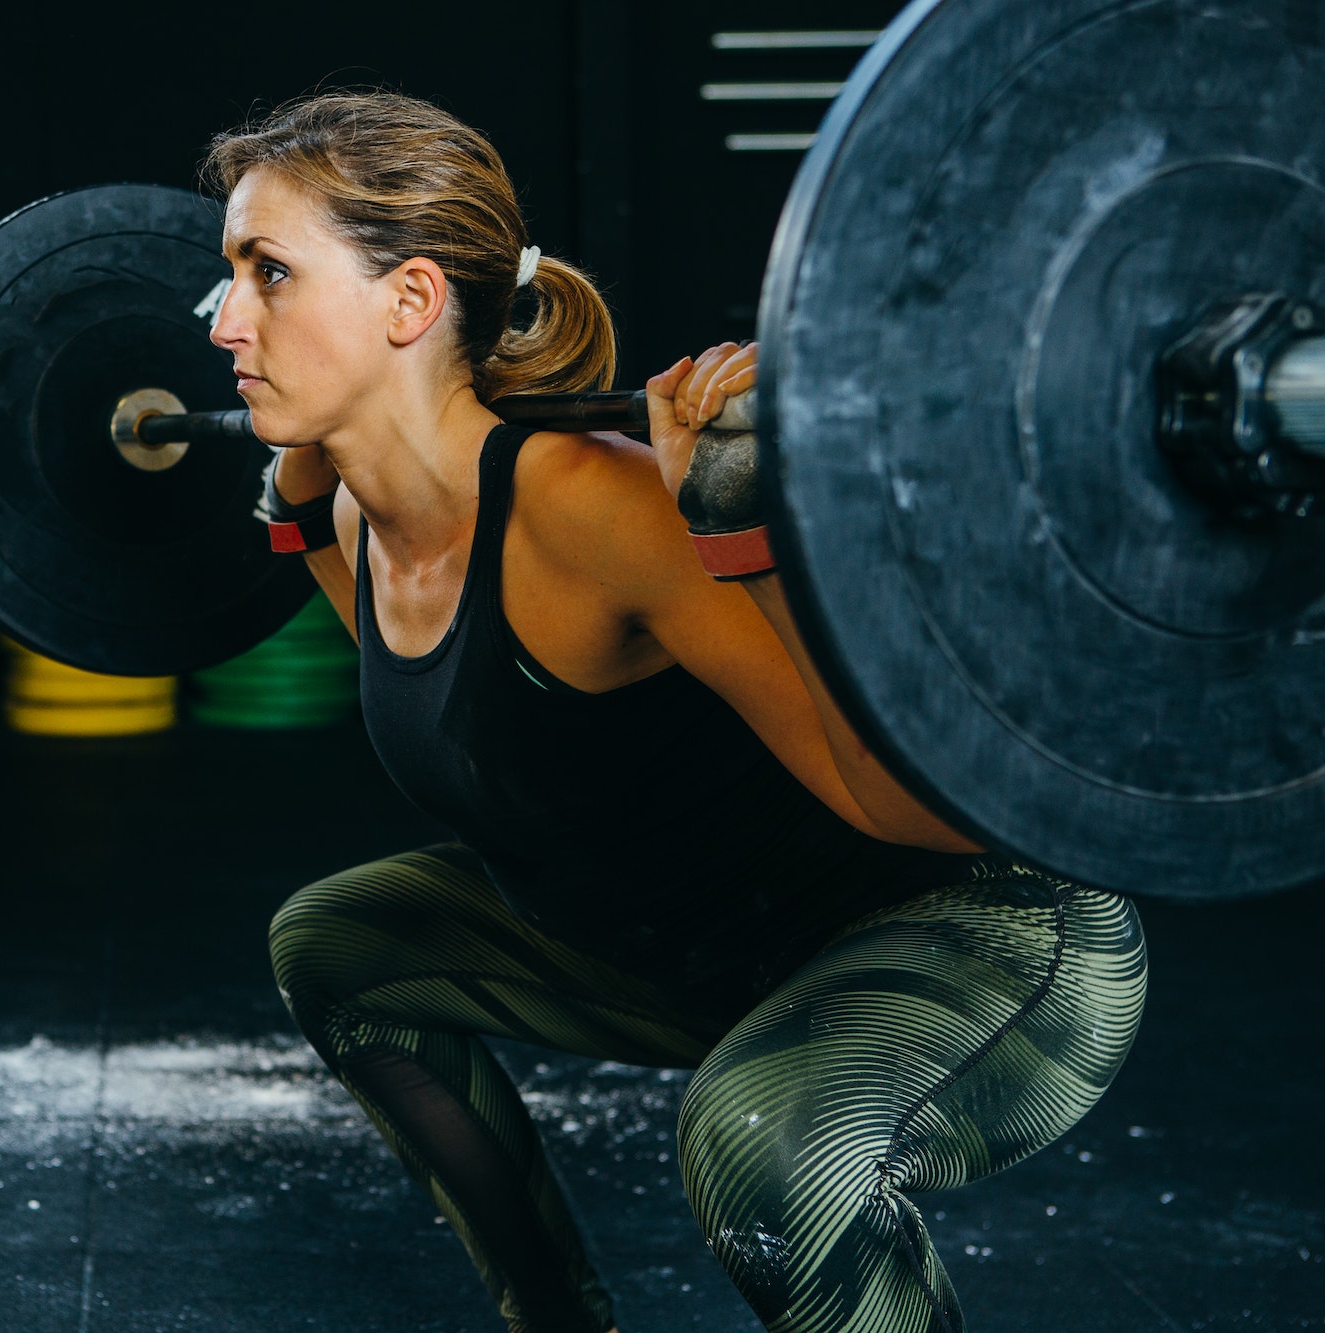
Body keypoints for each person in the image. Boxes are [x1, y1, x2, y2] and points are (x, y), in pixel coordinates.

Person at [202, 91, 1148, 1333]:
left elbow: (904, 803)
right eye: (228, 276)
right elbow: (479, 735)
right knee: (335, 946)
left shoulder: (597, 511)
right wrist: (296, 481)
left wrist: (730, 530)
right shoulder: (350, 526)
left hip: (988, 936)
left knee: (763, 1144)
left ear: (409, 301)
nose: (223, 323)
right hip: (716, 956)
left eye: (268, 273)